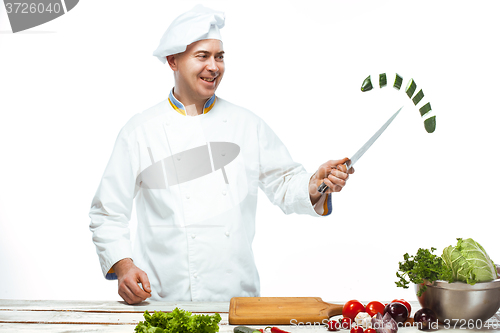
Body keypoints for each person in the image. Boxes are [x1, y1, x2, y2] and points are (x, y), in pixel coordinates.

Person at [89, 4, 354, 305]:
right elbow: (107, 211)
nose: (214, 67)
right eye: (202, 56)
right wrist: (124, 266)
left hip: (236, 301)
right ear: (173, 61)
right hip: (162, 300)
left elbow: (284, 183)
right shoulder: (140, 131)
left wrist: (315, 182)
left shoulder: (246, 124)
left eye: (219, 57)